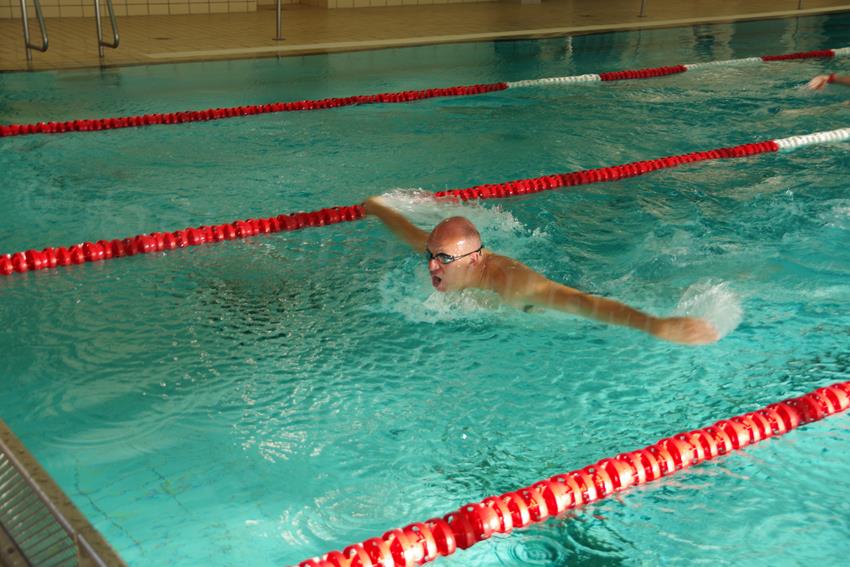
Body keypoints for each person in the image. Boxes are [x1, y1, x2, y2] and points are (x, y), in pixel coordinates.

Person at [363, 196, 719, 345]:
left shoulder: (514, 286)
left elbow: (584, 304)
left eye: (442, 259)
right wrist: (378, 208)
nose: (431, 264)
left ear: (473, 259)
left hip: (583, 306)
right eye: (430, 255)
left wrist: (657, 325)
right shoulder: (448, 254)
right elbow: (409, 232)